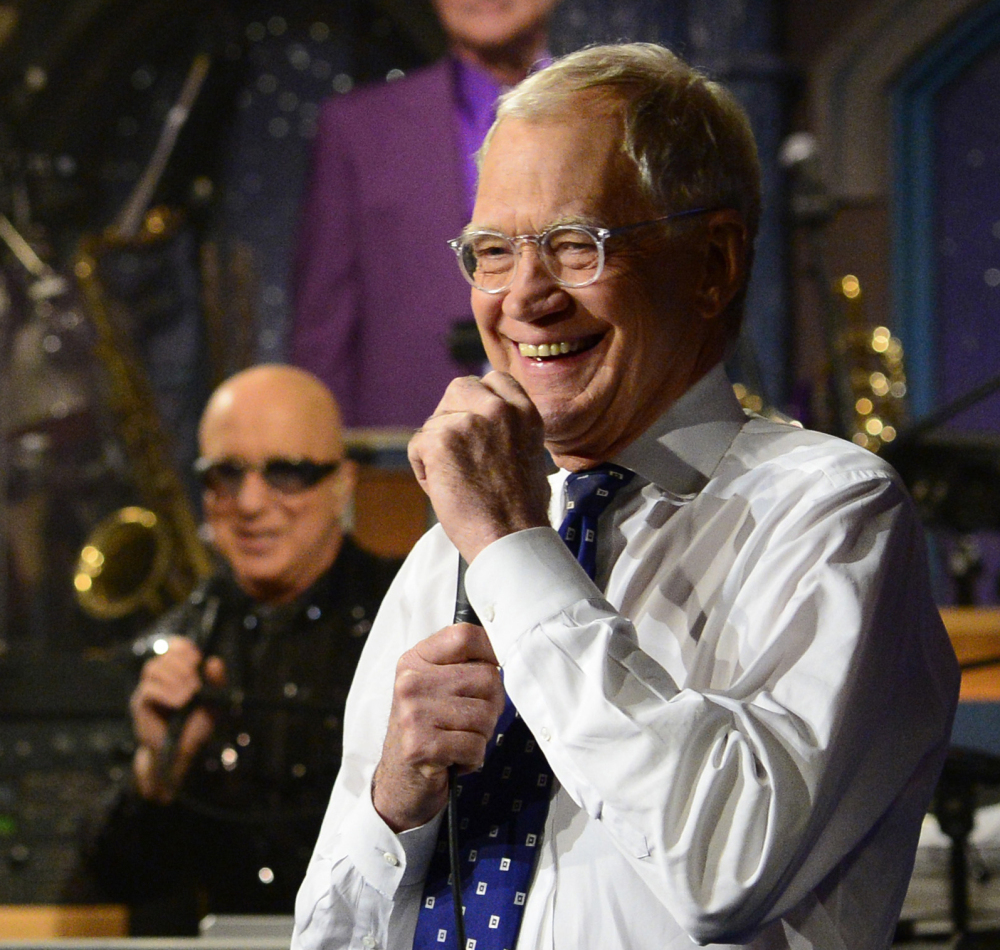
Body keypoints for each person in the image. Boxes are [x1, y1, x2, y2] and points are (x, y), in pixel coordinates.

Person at [292, 43, 960, 950]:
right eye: (493, 251)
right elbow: (327, 938)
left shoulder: (830, 514)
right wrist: (394, 808)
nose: (524, 297)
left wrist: (514, 550)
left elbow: (725, 868)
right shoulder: (445, 553)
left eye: (576, 246)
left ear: (715, 262)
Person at [81, 364, 402, 934]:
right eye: (225, 474)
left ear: (343, 483)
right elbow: (109, 881)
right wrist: (155, 775)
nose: (250, 503)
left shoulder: (412, 621)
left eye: (286, 472)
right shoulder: (163, 653)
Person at [290, 0, 559, 429]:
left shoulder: (605, 115)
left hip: (583, 434)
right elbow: (324, 325)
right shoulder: (358, 128)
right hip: (404, 450)